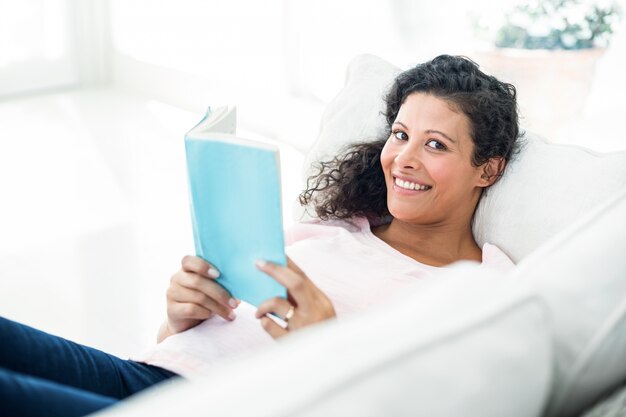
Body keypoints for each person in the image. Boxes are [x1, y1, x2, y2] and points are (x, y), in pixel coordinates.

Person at [0, 54, 520, 416]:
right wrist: (180, 317)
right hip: (151, 378)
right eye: (401, 135)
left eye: (436, 145)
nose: (403, 158)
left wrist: (326, 347)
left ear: (487, 170)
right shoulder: (330, 231)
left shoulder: (483, 288)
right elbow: (200, 343)